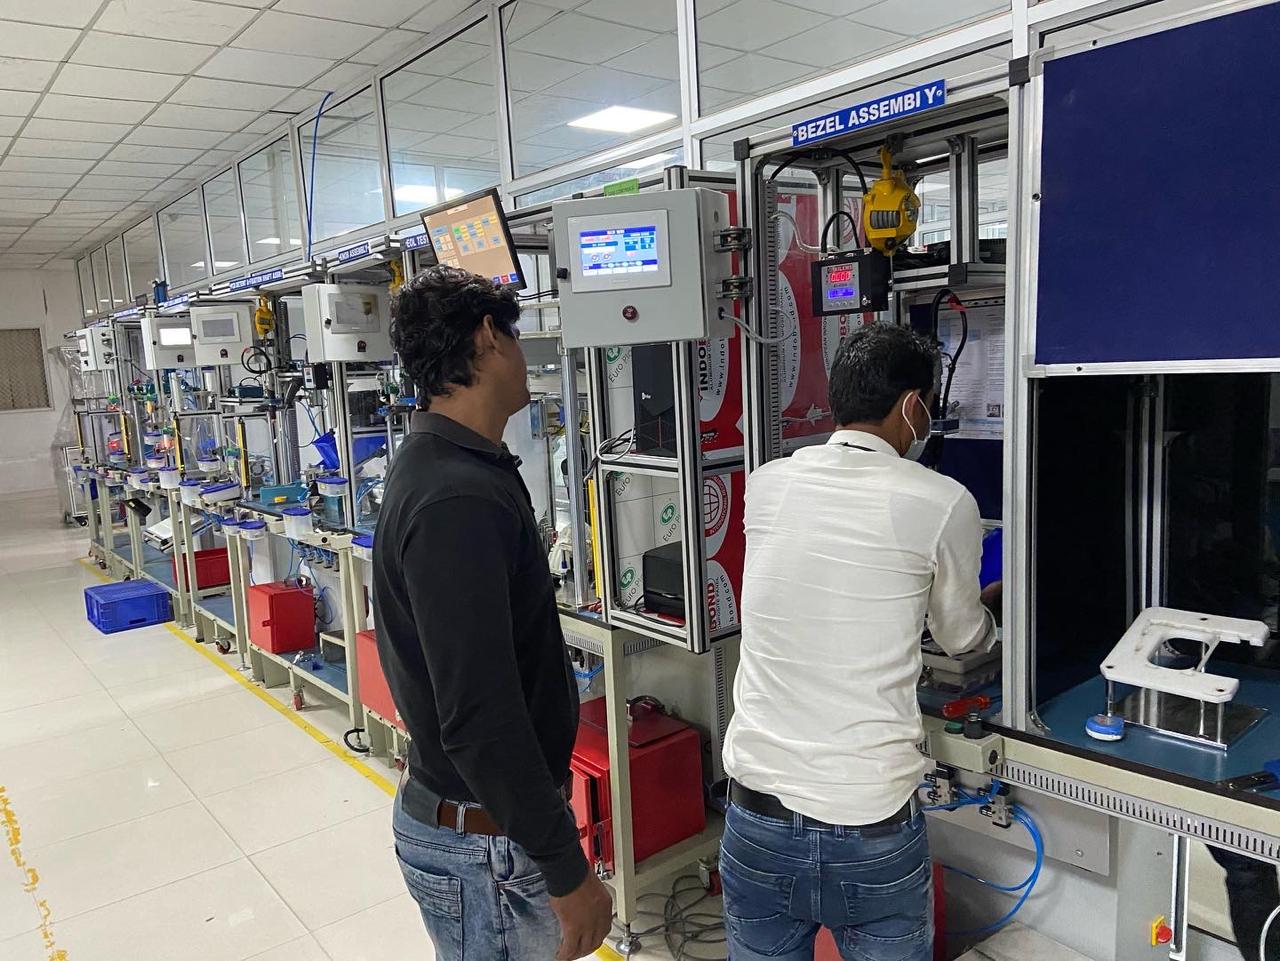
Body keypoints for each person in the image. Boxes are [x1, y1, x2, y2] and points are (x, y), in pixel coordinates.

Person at [720, 323, 1000, 961]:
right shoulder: (942, 500)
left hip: (755, 819)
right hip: (870, 827)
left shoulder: (767, 483)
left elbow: (818, 583)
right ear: (912, 406)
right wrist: (993, 609)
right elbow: (962, 638)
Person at [372, 265, 613, 961]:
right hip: (485, 848)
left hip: (483, 829)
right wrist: (565, 868)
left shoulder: (449, 465)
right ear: (487, 339)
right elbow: (479, 715)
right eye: (515, 335)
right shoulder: (456, 498)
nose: (524, 355)